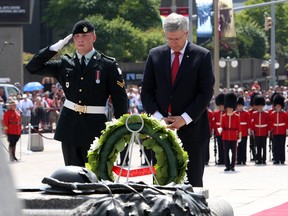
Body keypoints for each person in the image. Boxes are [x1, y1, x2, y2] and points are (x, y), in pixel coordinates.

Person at [25, 20, 128, 167]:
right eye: (77, 36)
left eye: (85, 36)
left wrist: (119, 131)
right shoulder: (65, 63)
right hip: (70, 126)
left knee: (94, 176)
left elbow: (120, 100)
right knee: (72, 177)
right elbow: (32, 67)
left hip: (95, 126)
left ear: (94, 37)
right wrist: (56, 47)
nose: (80, 39)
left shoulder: (107, 65)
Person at [141, 13, 215, 187]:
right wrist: (158, 117)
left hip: (192, 130)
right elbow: (146, 91)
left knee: (192, 183)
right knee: (161, 182)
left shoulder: (202, 56)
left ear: (186, 33)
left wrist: (185, 118)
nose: (173, 43)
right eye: (169, 39)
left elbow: (205, 93)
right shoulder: (155, 55)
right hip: (161, 130)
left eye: (176, 39)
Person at [220, 92, 241, 172]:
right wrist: (220, 129)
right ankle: (227, 166)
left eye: (231, 108)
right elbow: (222, 126)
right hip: (225, 136)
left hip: (233, 136)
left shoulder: (236, 117)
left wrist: (239, 137)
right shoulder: (223, 116)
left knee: (233, 153)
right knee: (226, 153)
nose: (229, 109)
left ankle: (232, 166)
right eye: (228, 108)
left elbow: (239, 128)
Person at [251, 95, 270, 165]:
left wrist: (268, 132)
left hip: (264, 131)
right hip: (257, 132)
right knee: (258, 146)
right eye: (258, 105)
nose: (260, 107)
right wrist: (252, 131)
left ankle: (264, 159)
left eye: (261, 105)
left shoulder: (266, 113)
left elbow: (268, 123)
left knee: (264, 147)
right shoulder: (254, 114)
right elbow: (253, 123)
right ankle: (258, 159)